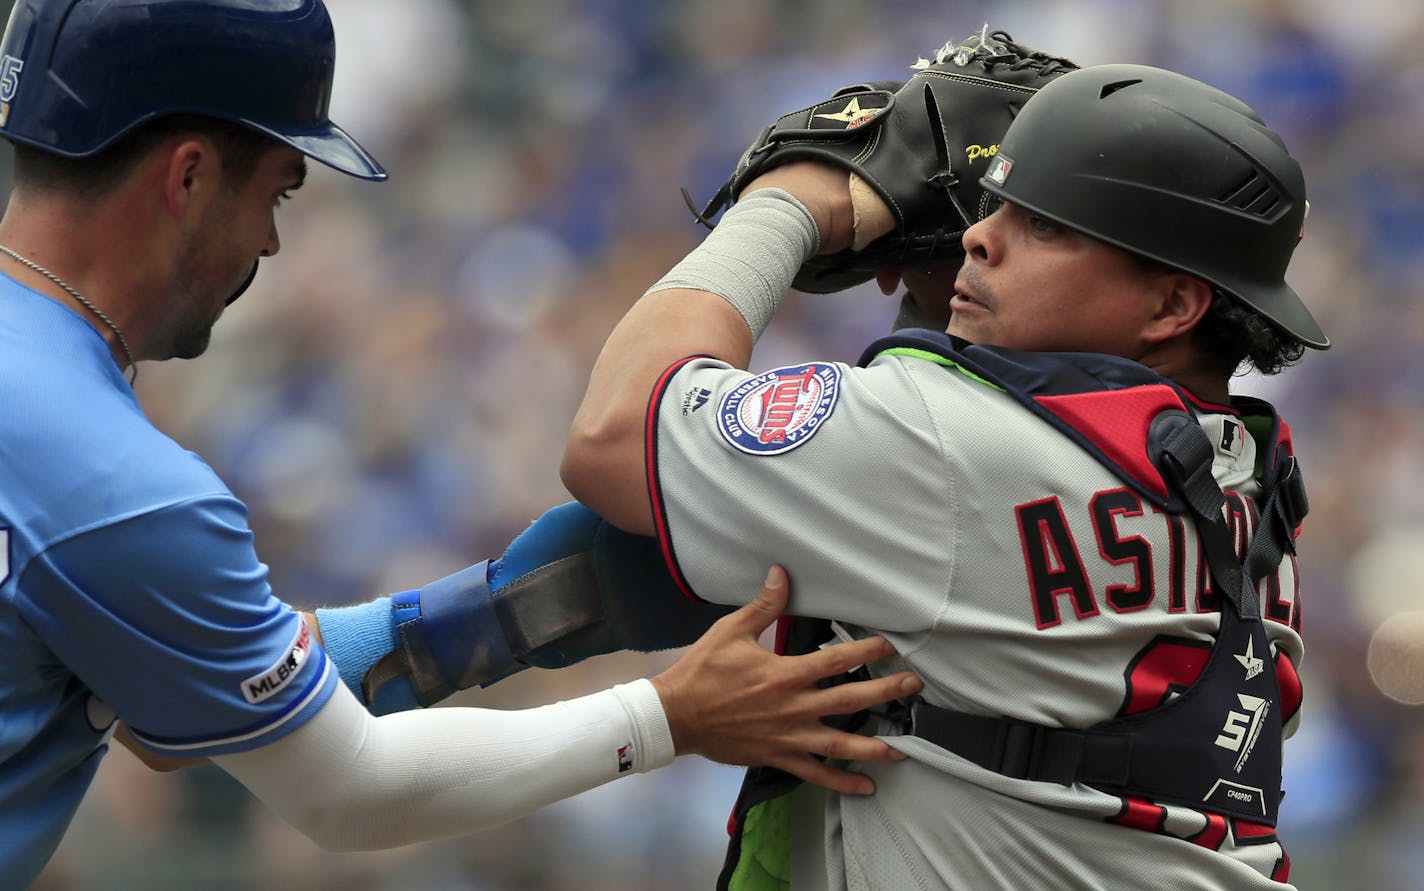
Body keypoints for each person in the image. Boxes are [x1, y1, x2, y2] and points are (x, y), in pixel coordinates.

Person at [0, 1, 923, 887]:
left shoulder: (77, 460)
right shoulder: (120, 487)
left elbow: (189, 681)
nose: (274, 242)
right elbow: (345, 790)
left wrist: (505, 612)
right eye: (278, 190)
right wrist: (668, 715)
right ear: (190, 176)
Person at [561, 57, 1326, 890]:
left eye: (1047, 225)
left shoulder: (952, 440)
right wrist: (954, 296)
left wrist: (789, 202)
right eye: (996, 203)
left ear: (1173, 307)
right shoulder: (1246, 472)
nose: (978, 235)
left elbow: (614, 440)